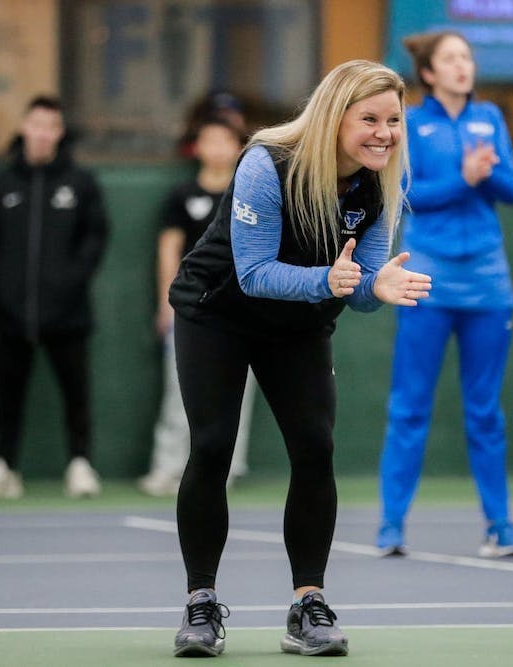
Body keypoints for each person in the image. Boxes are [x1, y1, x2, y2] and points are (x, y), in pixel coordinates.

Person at [166, 60, 431, 658]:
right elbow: (255, 273)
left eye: (393, 121)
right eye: (369, 119)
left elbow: (357, 287)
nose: (384, 133)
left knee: (315, 447)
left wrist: (376, 286)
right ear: (335, 116)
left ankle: (308, 606)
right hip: (216, 313)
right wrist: (330, 282)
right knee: (213, 445)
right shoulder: (267, 163)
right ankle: (200, 605)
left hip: (298, 325)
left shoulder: (377, 185)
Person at [376, 31, 513, 559]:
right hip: (427, 280)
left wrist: (486, 174)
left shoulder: (491, 118)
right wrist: (465, 178)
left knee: (485, 411)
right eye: (450, 58)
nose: (463, 65)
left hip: (487, 283)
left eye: (467, 57)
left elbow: (511, 190)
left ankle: (500, 527)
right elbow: (408, 194)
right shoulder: (411, 123)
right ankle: (391, 527)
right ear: (429, 73)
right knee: (409, 407)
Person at [0, 95, 109, 500]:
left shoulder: (80, 183)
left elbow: (95, 239)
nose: (43, 133)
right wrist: (1, 292)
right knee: (8, 396)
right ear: (24, 127)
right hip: (10, 317)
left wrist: (68, 283)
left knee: (76, 393)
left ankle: (80, 464)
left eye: (51, 126)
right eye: (36, 124)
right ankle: (4, 466)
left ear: (59, 133)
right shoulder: (2, 183)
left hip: (68, 315)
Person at [138, 115, 258, 497]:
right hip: (191, 310)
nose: (218, 148)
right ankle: (167, 467)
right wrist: (167, 302)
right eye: (210, 140)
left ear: (239, 147)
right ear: (198, 147)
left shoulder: (251, 194)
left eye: (226, 140)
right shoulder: (181, 195)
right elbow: (168, 250)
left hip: (243, 311)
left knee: (238, 393)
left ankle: (227, 469)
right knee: (180, 392)